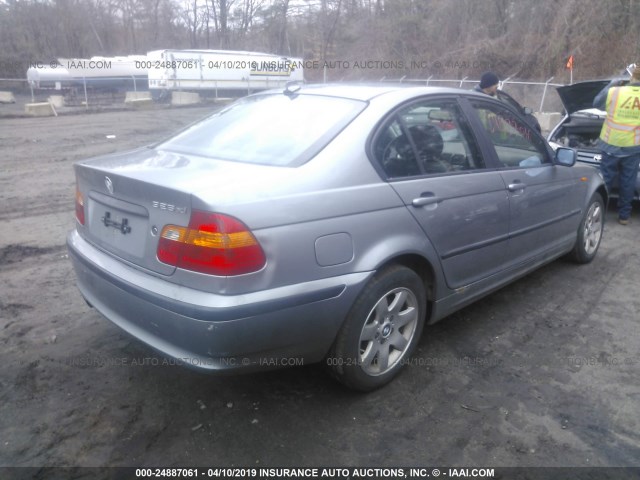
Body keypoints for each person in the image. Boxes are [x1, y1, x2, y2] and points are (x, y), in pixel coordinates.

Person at [593, 65, 640, 225]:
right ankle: (624, 216)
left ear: (632, 77)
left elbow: (596, 103)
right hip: (632, 146)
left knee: (605, 179)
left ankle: (600, 212)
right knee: (628, 181)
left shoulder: (615, 92)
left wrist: (612, 83)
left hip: (610, 144)